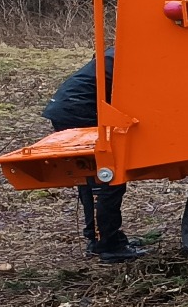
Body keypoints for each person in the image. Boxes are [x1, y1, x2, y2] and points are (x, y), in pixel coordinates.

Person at [44, 55, 145, 262]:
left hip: (67, 108)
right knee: (108, 177)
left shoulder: (116, 53)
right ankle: (108, 245)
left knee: (91, 176)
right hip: (78, 111)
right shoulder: (129, 57)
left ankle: (97, 239)